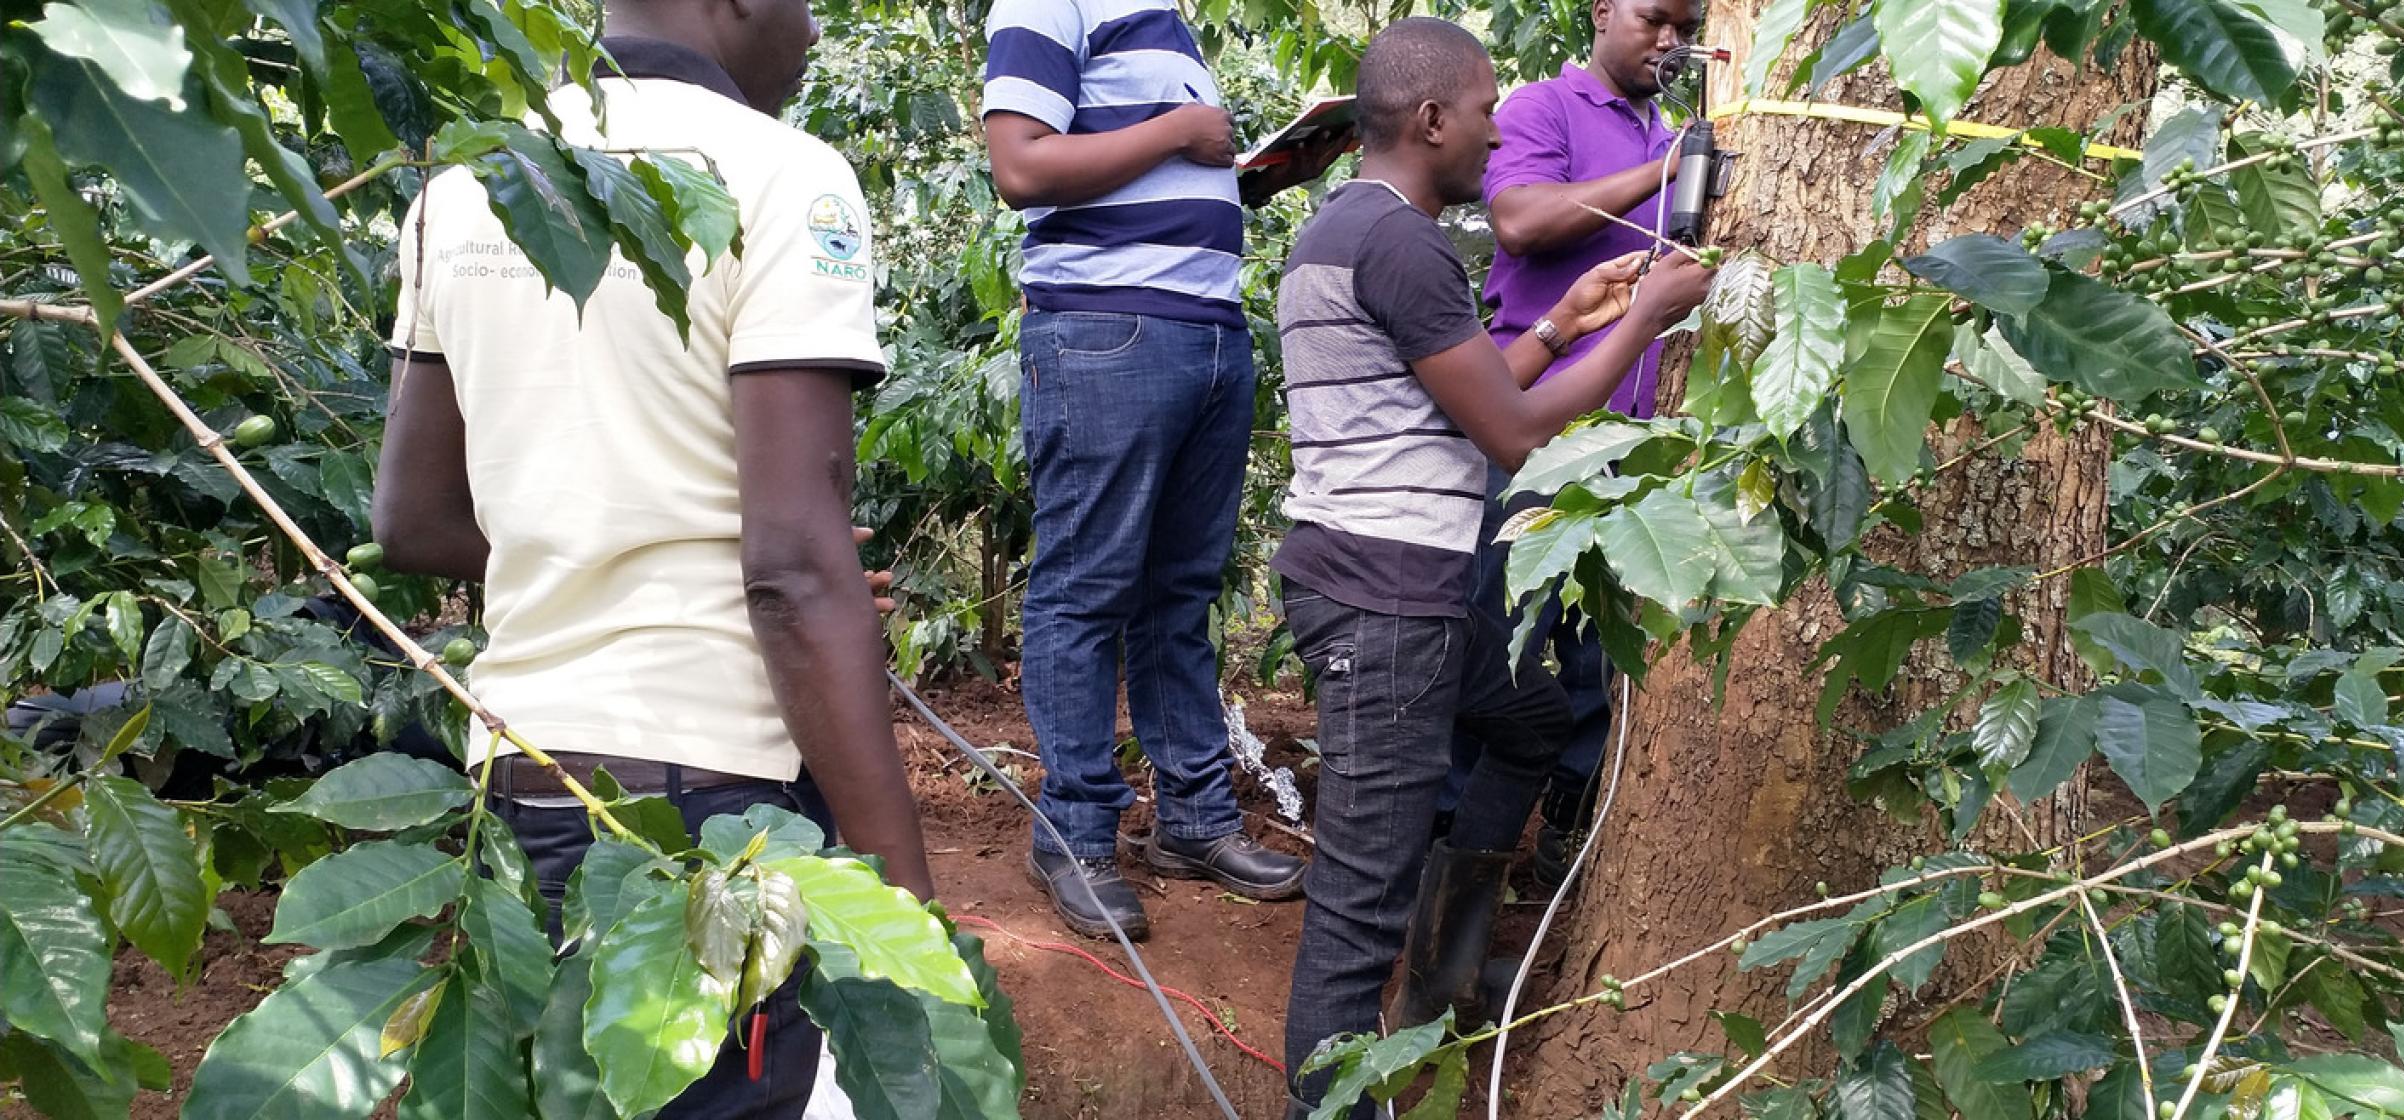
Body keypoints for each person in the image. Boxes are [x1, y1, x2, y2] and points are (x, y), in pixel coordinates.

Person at [371, 1, 928, 1114]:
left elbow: (412, 520)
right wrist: (904, 902)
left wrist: (610, 543)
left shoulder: (468, 186)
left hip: (517, 795)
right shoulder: (783, 177)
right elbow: (793, 568)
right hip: (708, 822)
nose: (813, 29)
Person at [1272, 18, 1714, 1116]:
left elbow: (1458, 404)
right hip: (1384, 605)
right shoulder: (1402, 242)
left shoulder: (1358, 229)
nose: (1492, 133)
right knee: (1354, 905)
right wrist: (1645, 317)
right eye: (1481, 114)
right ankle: (1330, 1101)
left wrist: (1564, 320)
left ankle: (1446, 971)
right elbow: (1510, 434)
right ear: (1430, 120)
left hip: (1392, 590)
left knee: (1524, 721)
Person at [980, 0, 1320, 941]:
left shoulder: (1167, 22)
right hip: (1106, 329)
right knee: (1084, 592)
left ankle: (1195, 823)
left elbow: (1144, 176)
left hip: (1203, 332)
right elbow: (1023, 167)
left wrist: (1253, 173)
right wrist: (1179, 130)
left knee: (1178, 596)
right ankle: (1074, 835)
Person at [1440, 0, 1705, 885]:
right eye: (1653, 18)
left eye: (1685, 26)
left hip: (1645, 443)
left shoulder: (1677, 131)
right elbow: (1522, 220)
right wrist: (1660, 173)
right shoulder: (1541, 109)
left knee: (1607, 654)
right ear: (1603, 12)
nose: (1669, 40)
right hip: (1538, 432)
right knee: (1496, 625)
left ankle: (1563, 829)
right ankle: (1443, 841)